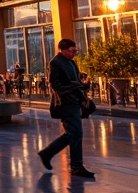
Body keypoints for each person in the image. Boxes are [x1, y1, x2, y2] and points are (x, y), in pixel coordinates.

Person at [38, 38, 95, 178]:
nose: (74, 53)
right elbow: (55, 85)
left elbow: (75, 81)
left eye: (75, 51)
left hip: (74, 101)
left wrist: (83, 86)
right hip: (64, 103)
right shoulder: (55, 63)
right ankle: (75, 166)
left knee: (74, 133)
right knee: (75, 133)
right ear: (62, 50)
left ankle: (49, 154)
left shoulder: (71, 62)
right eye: (72, 51)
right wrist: (74, 86)